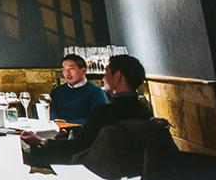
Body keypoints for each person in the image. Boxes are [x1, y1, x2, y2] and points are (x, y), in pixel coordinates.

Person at [22, 54, 153, 168]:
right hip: (134, 166)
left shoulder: (103, 112)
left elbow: (78, 146)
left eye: (106, 73)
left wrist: (40, 141)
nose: (103, 78)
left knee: (32, 153)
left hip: (95, 165)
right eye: (64, 69)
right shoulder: (144, 110)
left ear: (117, 76)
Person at [48, 54, 109, 123]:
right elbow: (51, 113)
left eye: (71, 69)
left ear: (83, 71)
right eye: (64, 69)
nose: (67, 73)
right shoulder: (57, 91)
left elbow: (99, 118)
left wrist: (68, 122)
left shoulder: (96, 92)